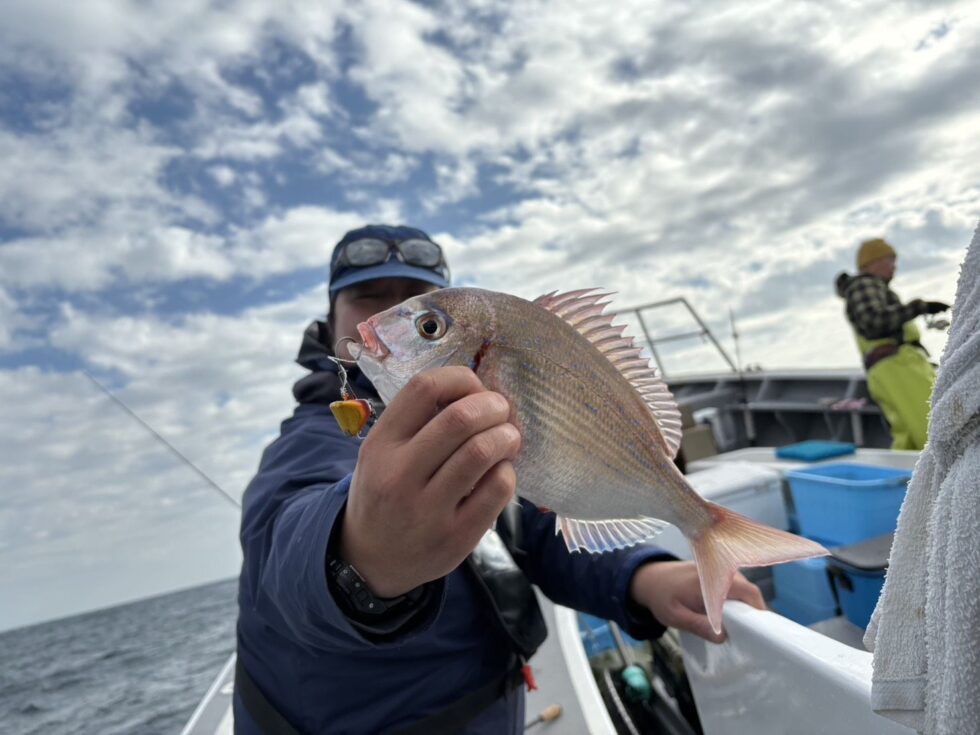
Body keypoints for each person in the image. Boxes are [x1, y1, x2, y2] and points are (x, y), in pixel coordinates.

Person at [235, 224, 765, 734]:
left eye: (425, 321)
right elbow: (279, 553)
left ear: (482, 355)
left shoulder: (470, 426)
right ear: (330, 324)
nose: (384, 318)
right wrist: (357, 554)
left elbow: (531, 525)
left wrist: (641, 579)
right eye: (368, 298)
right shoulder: (310, 440)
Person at [835, 238, 950, 450]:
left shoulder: (872, 288)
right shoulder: (864, 284)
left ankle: (912, 481)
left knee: (909, 436)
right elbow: (874, 321)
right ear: (871, 263)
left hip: (896, 368)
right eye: (889, 260)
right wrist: (919, 307)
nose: (894, 267)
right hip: (898, 368)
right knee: (936, 428)